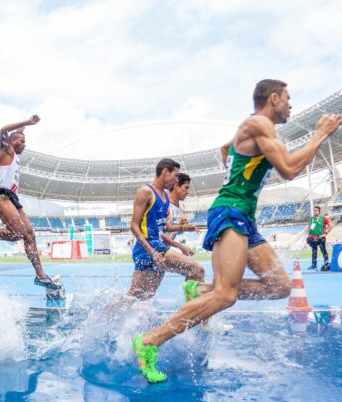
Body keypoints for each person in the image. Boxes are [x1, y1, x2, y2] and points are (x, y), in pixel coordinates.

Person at [132, 79, 342, 383]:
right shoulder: (258, 123)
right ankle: (149, 342)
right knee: (226, 295)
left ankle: (201, 290)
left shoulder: (256, 130)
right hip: (231, 212)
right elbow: (289, 169)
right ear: (273, 99)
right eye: (288, 99)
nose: (291, 105)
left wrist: (237, 168)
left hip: (243, 215)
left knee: (279, 286)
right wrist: (321, 133)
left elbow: (226, 148)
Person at [0, 115, 61, 290]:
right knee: (17, 234)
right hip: (2, 196)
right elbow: (3, 130)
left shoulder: (14, 155)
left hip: (14, 198)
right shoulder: (6, 151)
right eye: (22, 141)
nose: (25, 144)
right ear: (12, 142)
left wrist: (22, 130)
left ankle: (40, 276)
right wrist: (26, 122)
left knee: (29, 234)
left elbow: (14, 134)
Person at [126, 159, 202, 299]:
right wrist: (153, 252)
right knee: (196, 269)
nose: (176, 180)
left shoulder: (165, 197)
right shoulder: (146, 192)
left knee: (140, 296)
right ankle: (191, 315)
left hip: (156, 245)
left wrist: (184, 227)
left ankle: (105, 315)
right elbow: (134, 225)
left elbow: (164, 227)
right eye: (175, 175)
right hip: (148, 246)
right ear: (165, 172)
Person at [306, 205, 331, 271]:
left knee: (323, 251)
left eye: (316, 210)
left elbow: (331, 226)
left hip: (321, 237)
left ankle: (326, 264)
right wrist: (308, 236)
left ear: (319, 211)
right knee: (314, 252)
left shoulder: (324, 218)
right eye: (314, 210)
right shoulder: (311, 219)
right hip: (313, 238)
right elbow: (309, 228)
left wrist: (325, 233)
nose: (315, 211)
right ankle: (314, 265)